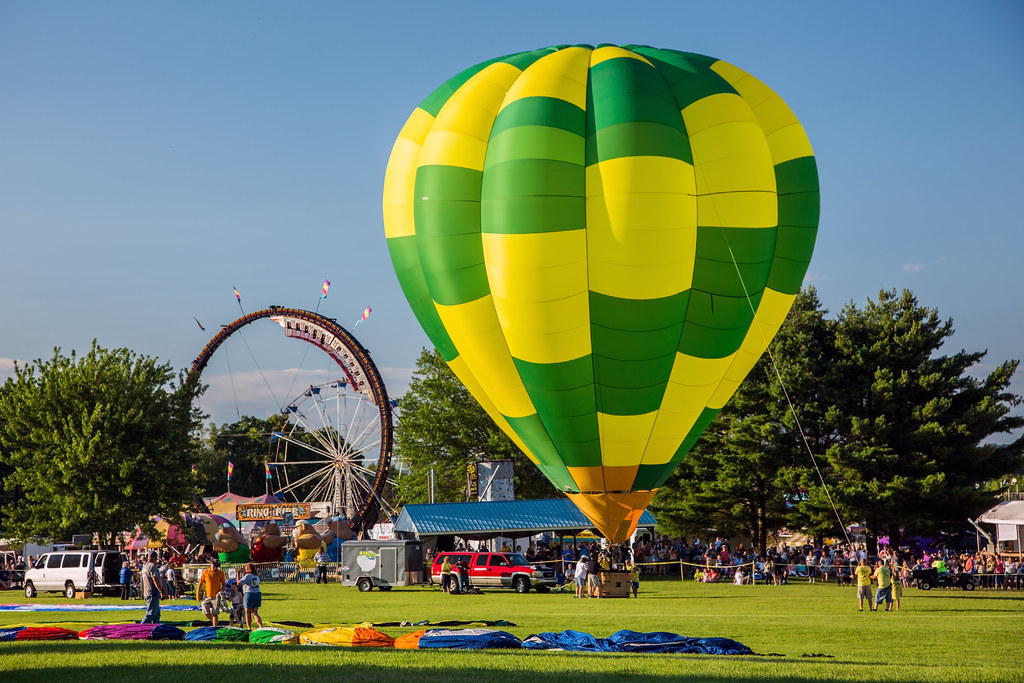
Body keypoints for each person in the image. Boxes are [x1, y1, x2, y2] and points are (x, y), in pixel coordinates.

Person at [197, 558, 227, 626]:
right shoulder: (205, 572)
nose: (215, 567)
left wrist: (221, 591)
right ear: (210, 565)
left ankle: (214, 626)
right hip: (207, 595)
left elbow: (223, 583)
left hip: (216, 596)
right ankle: (214, 621)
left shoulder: (220, 573)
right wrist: (198, 593)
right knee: (206, 612)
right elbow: (200, 583)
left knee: (215, 613)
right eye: (214, 565)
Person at [238, 563, 264, 630]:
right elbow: (249, 582)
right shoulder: (256, 576)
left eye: (246, 567)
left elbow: (239, 583)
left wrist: (238, 574)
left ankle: (249, 628)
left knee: (247, 613)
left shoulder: (248, 576)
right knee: (255, 613)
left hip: (249, 594)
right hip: (257, 593)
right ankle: (261, 626)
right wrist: (244, 573)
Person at [140, 552, 162, 624]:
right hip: (152, 592)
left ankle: (156, 629)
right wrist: (160, 590)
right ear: (155, 558)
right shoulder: (152, 566)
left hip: (146, 592)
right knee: (151, 614)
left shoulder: (144, 566)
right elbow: (155, 578)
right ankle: (139, 628)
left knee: (156, 615)